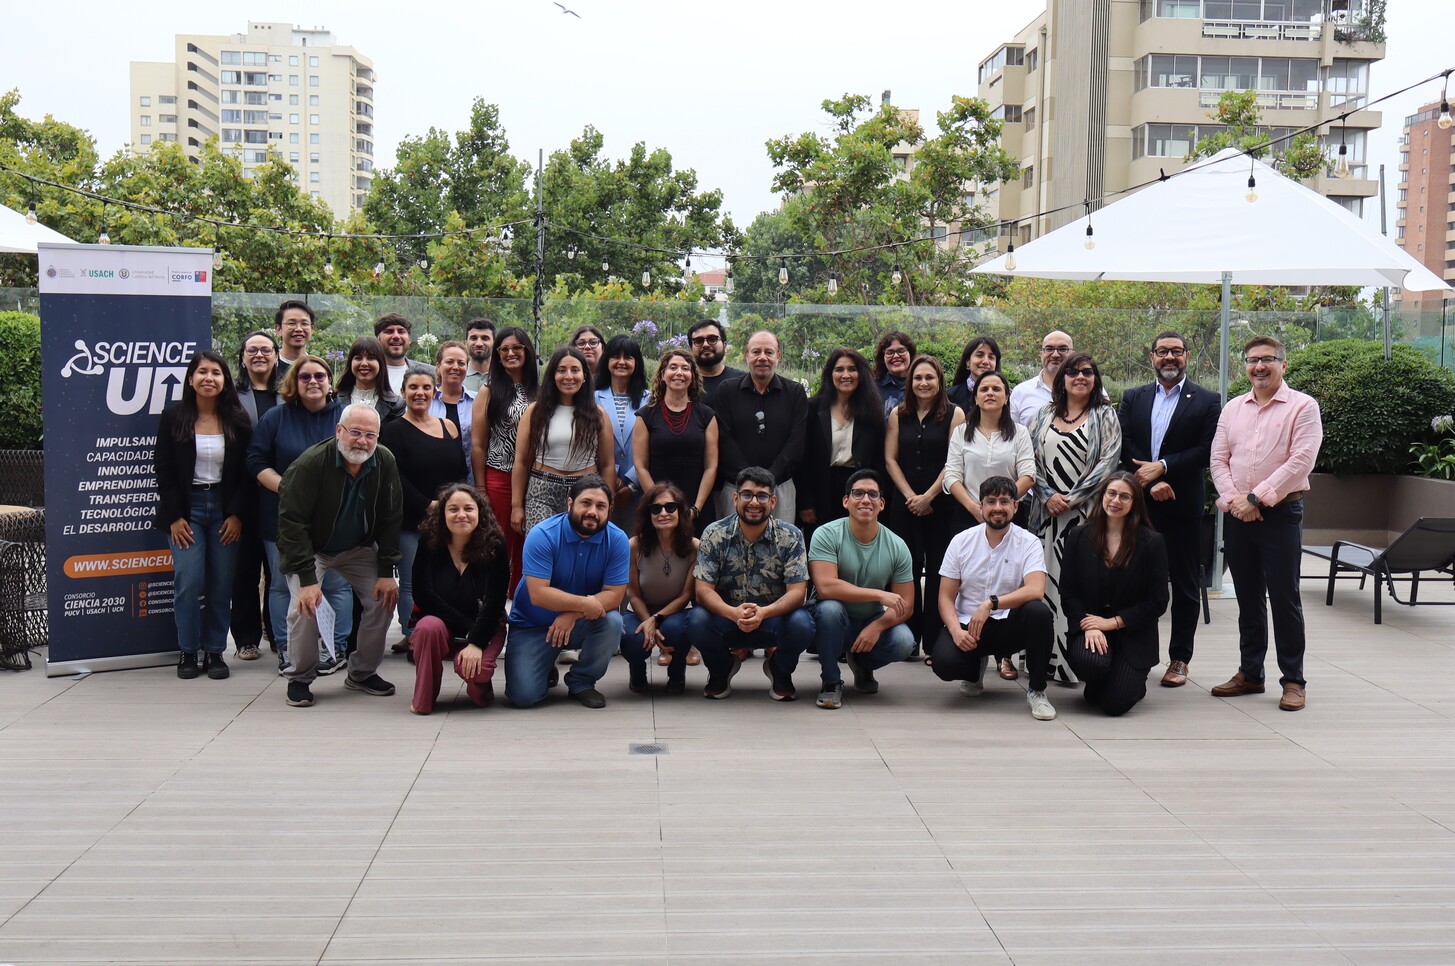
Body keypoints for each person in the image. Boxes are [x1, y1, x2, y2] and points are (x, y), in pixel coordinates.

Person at [1209, 335, 1322, 713]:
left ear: (1283, 365)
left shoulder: (1303, 406)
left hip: (1281, 515)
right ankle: (1251, 673)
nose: (1259, 366)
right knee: (1248, 598)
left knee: (1285, 598)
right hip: (1238, 514)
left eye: (1268, 359)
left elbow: (1301, 460)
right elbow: (1218, 459)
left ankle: (1293, 680)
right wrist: (1235, 500)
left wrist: (1256, 498)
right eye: (1252, 360)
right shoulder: (1233, 409)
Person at [276, 404, 403, 708]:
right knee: (304, 605)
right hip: (313, 550)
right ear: (338, 431)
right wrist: (307, 580)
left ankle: (362, 672)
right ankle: (300, 677)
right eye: (355, 432)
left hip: (358, 548)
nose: (362, 441)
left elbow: (391, 516)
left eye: (370, 435)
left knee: (384, 598)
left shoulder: (384, 460)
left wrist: (387, 570)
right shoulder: (310, 463)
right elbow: (292, 524)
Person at [1117, 331, 1221, 688]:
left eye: (1176, 351)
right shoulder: (1133, 397)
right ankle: (1134, 655)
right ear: (1152, 357)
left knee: (1185, 583)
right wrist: (1148, 481)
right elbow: (1125, 443)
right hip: (1138, 505)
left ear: (1187, 356)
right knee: (1134, 582)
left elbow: (1207, 450)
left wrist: (1162, 467)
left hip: (1182, 505)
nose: (1169, 357)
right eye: (1162, 351)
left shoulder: (1207, 400)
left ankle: (1180, 659)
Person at [245, 355, 353, 674]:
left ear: (330, 382)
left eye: (320, 376)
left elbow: (362, 456)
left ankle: (335, 648)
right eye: (305, 377)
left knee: (336, 585)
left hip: (336, 518)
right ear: (294, 382)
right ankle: (287, 649)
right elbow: (255, 460)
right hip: (282, 516)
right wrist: (287, 488)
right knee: (282, 586)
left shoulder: (346, 416)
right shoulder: (276, 417)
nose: (313, 382)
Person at [154, 351, 253, 680]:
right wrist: (174, 516)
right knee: (188, 581)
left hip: (225, 510)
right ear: (190, 379)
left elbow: (247, 472)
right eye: (202, 372)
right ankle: (188, 650)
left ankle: (214, 651)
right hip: (188, 510)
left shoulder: (238, 419)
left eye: (216, 373)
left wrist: (237, 514)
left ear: (225, 380)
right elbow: (164, 470)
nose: (209, 378)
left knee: (221, 585)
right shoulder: (173, 417)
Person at [1029, 351, 1122, 684]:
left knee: (1081, 586)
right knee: (1045, 586)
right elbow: (1029, 460)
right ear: (1062, 378)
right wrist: (1048, 495)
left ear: (1095, 379)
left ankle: (1078, 659)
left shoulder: (1105, 415)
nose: (1080, 377)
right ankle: (1042, 659)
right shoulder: (1043, 414)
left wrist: (1072, 498)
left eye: (1087, 371)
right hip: (1046, 517)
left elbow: (1109, 461)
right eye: (1073, 371)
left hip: (1085, 518)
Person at [933, 476, 1057, 721]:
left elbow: (1036, 590)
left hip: (1009, 626)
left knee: (1039, 613)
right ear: (981, 506)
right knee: (945, 664)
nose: (997, 507)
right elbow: (945, 598)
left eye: (1004, 501)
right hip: (969, 627)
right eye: (991, 501)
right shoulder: (961, 541)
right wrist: (956, 631)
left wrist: (991, 603)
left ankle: (1037, 691)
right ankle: (973, 671)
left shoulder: (1028, 542)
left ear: (1015, 506)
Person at [688, 467, 815, 700]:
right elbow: (703, 591)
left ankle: (780, 670)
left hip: (772, 618)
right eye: (747, 495)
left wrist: (764, 613)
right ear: (735, 498)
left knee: (802, 623)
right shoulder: (714, 533)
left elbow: (797, 593)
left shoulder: (791, 536)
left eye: (762, 496)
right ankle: (721, 669)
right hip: (727, 618)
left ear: (773, 501)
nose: (754, 502)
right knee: (696, 619)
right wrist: (733, 612)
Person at [503, 475, 628, 709]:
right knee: (524, 697)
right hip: (533, 624)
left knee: (613, 622)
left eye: (601, 506)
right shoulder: (542, 535)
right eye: (586, 503)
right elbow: (538, 594)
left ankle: (581, 681)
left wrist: (572, 614)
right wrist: (584, 605)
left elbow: (614, 595)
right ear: (570, 503)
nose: (592, 512)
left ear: (609, 510)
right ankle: (545, 665)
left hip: (580, 623)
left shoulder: (617, 539)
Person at [944, 369, 1034, 679]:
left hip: (1006, 517)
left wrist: (1000, 504)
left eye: (997, 388)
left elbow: (1028, 473)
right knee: (971, 581)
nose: (991, 393)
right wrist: (975, 507)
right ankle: (970, 643)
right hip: (967, 513)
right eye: (984, 389)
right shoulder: (962, 432)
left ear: (1007, 397)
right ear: (976, 396)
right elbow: (951, 474)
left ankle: (1004, 654)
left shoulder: (1019, 433)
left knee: (1008, 580)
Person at [1061, 474, 1170, 716]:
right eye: (1111, 493)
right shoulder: (1078, 536)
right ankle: (1102, 679)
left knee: (1114, 706)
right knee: (1091, 663)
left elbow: (1158, 601)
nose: (1115, 501)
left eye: (1124, 496)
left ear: (1135, 502)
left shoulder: (1152, 542)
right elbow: (1068, 592)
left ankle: (1130, 682)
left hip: (1133, 633)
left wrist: (1113, 623)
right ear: (1102, 496)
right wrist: (1090, 626)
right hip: (1091, 628)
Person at [807, 470, 916, 710]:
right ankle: (830, 681)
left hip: (870, 618)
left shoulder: (897, 545)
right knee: (830, 609)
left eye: (872, 494)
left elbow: (906, 605)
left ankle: (863, 664)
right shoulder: (826, 534)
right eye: (858, 493)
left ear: (881, 504)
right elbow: (825, 587)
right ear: (846, 501)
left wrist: (877, 626)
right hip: (832, 620)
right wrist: (878, 594)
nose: (866, 500)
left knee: (904, 641)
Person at [381, 366, 468, 652]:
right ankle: (412, 634)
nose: (420, 393)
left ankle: (447, 630)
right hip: (412, 518)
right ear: (403, 392)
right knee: (411, 580)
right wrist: (428, 505)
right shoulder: (393, 430)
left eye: (426, 388)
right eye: (413, 388)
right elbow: (395, 476)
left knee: (447, 578)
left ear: (435, 392)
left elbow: (460, 470)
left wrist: (452, 505)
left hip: (449, 518)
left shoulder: (448, 426)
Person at [885, 355, 965, 658]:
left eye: (929, 377)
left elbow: (954, 461)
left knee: (937, 571)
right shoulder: (898, 413)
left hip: (942, 503)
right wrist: (911, 497)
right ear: (910, 381)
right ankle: (908, 639)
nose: (923, 383)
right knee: (905, 568)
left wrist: (928, 497)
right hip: (903, 503)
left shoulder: (955, 414)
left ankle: (932, 642)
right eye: (918, 377)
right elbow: (890, 458)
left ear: (939, 381)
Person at [408, 483, 509, 714]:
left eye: (468, 509)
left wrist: (476, 641)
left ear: (480, 513)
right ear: (442, 514)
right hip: (443, 625)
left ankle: (482, 688)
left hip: (485, 625)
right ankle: (423, 699)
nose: (461, 515)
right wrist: (466, 626)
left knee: (476, 670)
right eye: (453, 509)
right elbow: (422, 593)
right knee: (427, 627)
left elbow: (495, 601)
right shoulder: (429, 542)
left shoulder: (495, 546)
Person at [511, 346, 616, 537]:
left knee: (581, 549)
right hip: (542, 492)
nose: (568, 376)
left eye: (575, 370)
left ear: (585, 376)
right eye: (561, 370)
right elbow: (521, 462)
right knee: (541, 546)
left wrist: (607, 504)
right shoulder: (535, 411)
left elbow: (608, 464)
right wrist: (516, 506)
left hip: (586, 491)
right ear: (552, 375)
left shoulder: (598, 414)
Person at [469, 326, 539, 599]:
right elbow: (478, 444)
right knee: (496, 547)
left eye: (516, 348)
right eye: (504, 349)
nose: (510, 353)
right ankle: (491, 606)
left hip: (536, 481)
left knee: (529, 547)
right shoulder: (488, 391)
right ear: (497, 355)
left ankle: (521, 603)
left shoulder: (541, 391)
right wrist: (481, 489)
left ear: (527, 351)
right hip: (500, 478)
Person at [713, 331, 809, 522]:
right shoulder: (727, 391)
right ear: (746, 355)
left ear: (778, 356)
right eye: (756, 352)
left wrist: (770, 480)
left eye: (769, 352)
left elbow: (796, 442)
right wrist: (747, 482)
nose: (762, 358)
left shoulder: (795, 393)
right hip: (736, 488)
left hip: (779, 488)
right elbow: (724, 439)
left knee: (779, 540)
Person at [232, 330, 282, 661]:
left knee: (277, 569)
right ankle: (246, 638)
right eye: (252, 350)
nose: (259, 355)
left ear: (276, 356)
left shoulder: (287, 394)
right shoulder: (231, 395)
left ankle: (277, 633)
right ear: (243, 357)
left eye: (266, 349)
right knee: (245, 569)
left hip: (278, 492)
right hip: (242, 492)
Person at [621, 482, 698, 695]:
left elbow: (685, 595)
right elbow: (633, 593)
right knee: (632, 639)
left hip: (676, 612)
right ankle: (637, 673)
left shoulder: (694, 547)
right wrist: (649, 622)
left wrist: (656, 620)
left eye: (670, 507)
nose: (663, 513)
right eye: (656, 509)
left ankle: (677, 674)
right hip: (639, 611)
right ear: (648, 514)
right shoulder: (634, 545)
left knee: (676, 629)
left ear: (681, 511)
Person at [633, 348, 719, 538]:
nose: (679, 372)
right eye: (673, 367)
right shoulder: (645, 416)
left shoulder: (707, 415)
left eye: (685, 368)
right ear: (663, 375)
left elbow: (711, 467)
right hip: (657, 509)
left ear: (692, 377)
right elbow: (640, 466)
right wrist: (660, 505)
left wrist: (695, 509)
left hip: (697, 505)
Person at [799, 348, 884, 534]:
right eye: (839, 369)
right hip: (821, 488)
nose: (846, 375)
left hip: (858, 490)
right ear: (830, 374)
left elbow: (879, 460)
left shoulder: (872, 411)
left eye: (852, 369)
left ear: (861, 374)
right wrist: (806, 502)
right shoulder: (813, 408)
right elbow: (803, 459)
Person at [595, 334, 651, 531]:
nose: (621, 362)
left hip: (638, 489)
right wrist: (611, 479)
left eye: (628, 357)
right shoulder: (592, 398)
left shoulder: (651, 400)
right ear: (606, 361)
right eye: (615, 356)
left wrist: (631, 484)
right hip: (599, 487)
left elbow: (654, 444)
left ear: (637, 363)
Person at [430, 340, 476, 484]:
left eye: (461, 363)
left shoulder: (478, 401)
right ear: (438, 366)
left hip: (470, 481)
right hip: (432, 480)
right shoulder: (425, 400)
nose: (455, 367)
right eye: (449, 362)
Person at [334, 335, 404, 424]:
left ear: (380, 363)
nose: (364, 363)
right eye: (358, 358)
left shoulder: (396, 405)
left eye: (371, 358)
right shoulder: (335, 400)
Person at [1010, 330, 1073, 427]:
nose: (1055, 354)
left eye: (1063, 349)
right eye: (1049, 349)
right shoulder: (1021, 392)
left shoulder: (1087, 391)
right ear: (1041, 354)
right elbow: (1011, 433)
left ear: (1073, 354)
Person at [689, 318, 746, 409]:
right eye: (699, 341)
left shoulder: (744, 382)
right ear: (690, 349)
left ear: (725, 345)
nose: (705, 344)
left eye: (712, 339)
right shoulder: (683, 383)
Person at [375, 313, 427, 394]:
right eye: (389, 331)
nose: (396, 336)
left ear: (409, 339)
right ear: (378, 340)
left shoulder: (430, 373)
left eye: (401, 331)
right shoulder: (367, 374)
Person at [947, 335, 1001, 411]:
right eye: (979, 355)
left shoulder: (1008, 395)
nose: (986, 361)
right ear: (968, 362)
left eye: (991, 357)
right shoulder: (950, 397)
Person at [871, 330, 916, 416]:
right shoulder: (873, 387)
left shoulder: (921, 384)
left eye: (901, 350)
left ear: (910, 353)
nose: (896, 356)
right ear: (883, 358)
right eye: (890, 352)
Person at [273, 300, 315, 371]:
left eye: (304, 324)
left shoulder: (317, 368)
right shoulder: (269, 366)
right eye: (291, 323)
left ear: (312, 329)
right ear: (278, 329)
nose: (299, 329)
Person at [463, 317, 495, 394]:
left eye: (485, 338)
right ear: (466, 343)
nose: (479, 344)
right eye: (474, 338)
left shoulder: (504, 376)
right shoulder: (458, 376)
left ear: (494, 343)